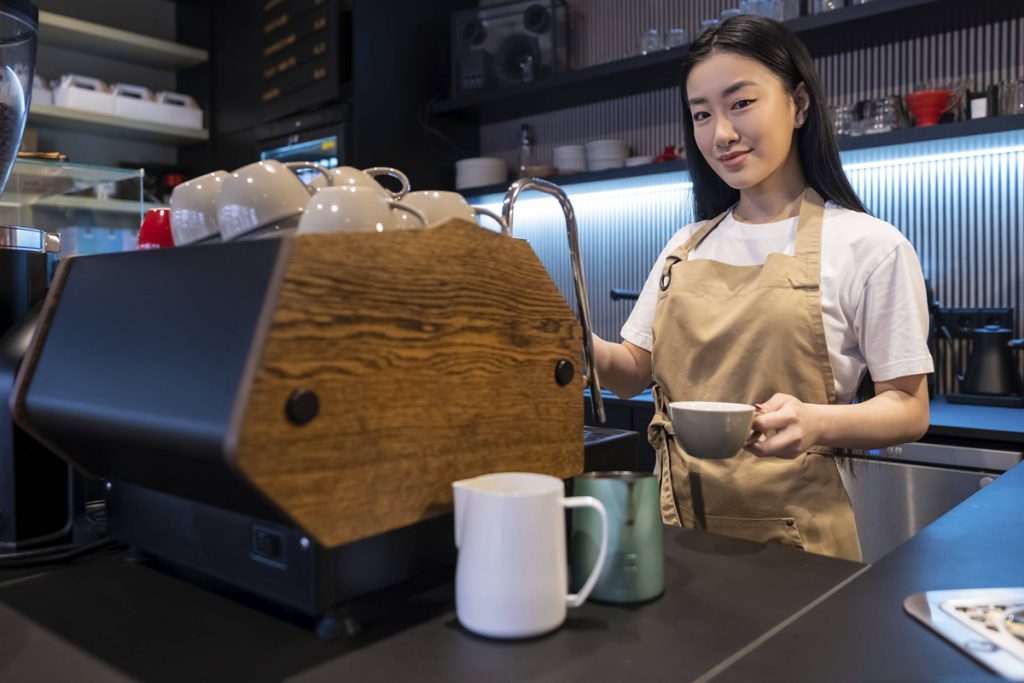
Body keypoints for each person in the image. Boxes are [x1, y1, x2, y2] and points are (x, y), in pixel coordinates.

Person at [592, 15, 933, 561]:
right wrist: (564, 332)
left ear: (799, 104)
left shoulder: (870, 245)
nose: (720, 133)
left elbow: (909, 410)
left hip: (795, 550)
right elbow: (632, 371)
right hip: (675, 534)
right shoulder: (686, 244)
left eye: (741, 104)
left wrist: (817, 420)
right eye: (701, 114)